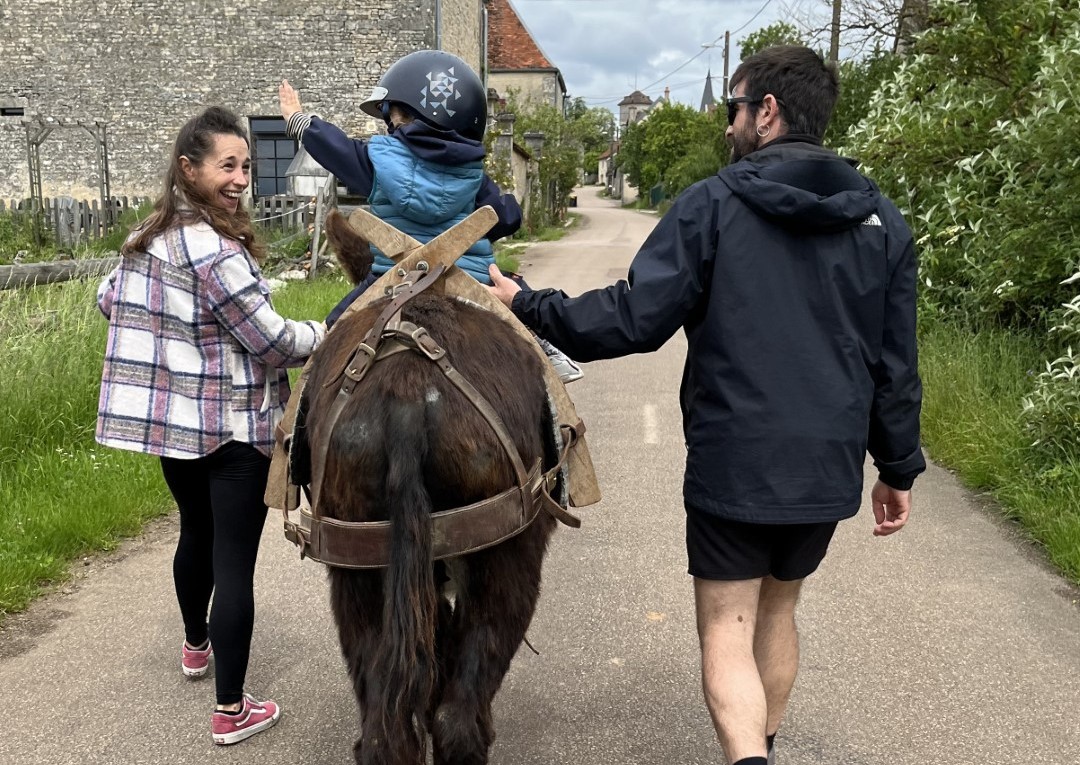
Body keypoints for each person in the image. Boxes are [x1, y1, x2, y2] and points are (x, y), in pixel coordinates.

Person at [487, 46, 925, 765]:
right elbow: (895, 363)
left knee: (727, 625)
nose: (728, 126)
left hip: (735, 462)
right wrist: (898, 467)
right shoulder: (882, 221)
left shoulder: (714, 204)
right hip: (826, 467)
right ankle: (766, 748)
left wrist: (529, 304)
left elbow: (633, 317)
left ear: (769, 111)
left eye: (735, 108)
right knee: (780, 609)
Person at [95, 106, 326, 745]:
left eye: (246, 166)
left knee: (194, 532)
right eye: (228, 165)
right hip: (233, 430)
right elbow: (274, 342)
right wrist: (327, 332)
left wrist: (166, 329)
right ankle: (231, 711)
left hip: (175, 430)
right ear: (188, 168)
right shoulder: (214, 250)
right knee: (234, 562)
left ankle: (196, 646)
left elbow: (108, 300)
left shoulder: (148, 236)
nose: (241, 178)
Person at [277, 48, 583, 383]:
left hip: (392, 277)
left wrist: (299, 120)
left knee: (335, 335)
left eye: (390, 114)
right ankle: (547, 350)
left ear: (402, 114)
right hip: (472, 282)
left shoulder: (374, 161)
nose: (389, 123)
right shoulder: (474, 176)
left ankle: (311, 372)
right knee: (517, 294)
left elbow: (335, 148)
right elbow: (507, 219)